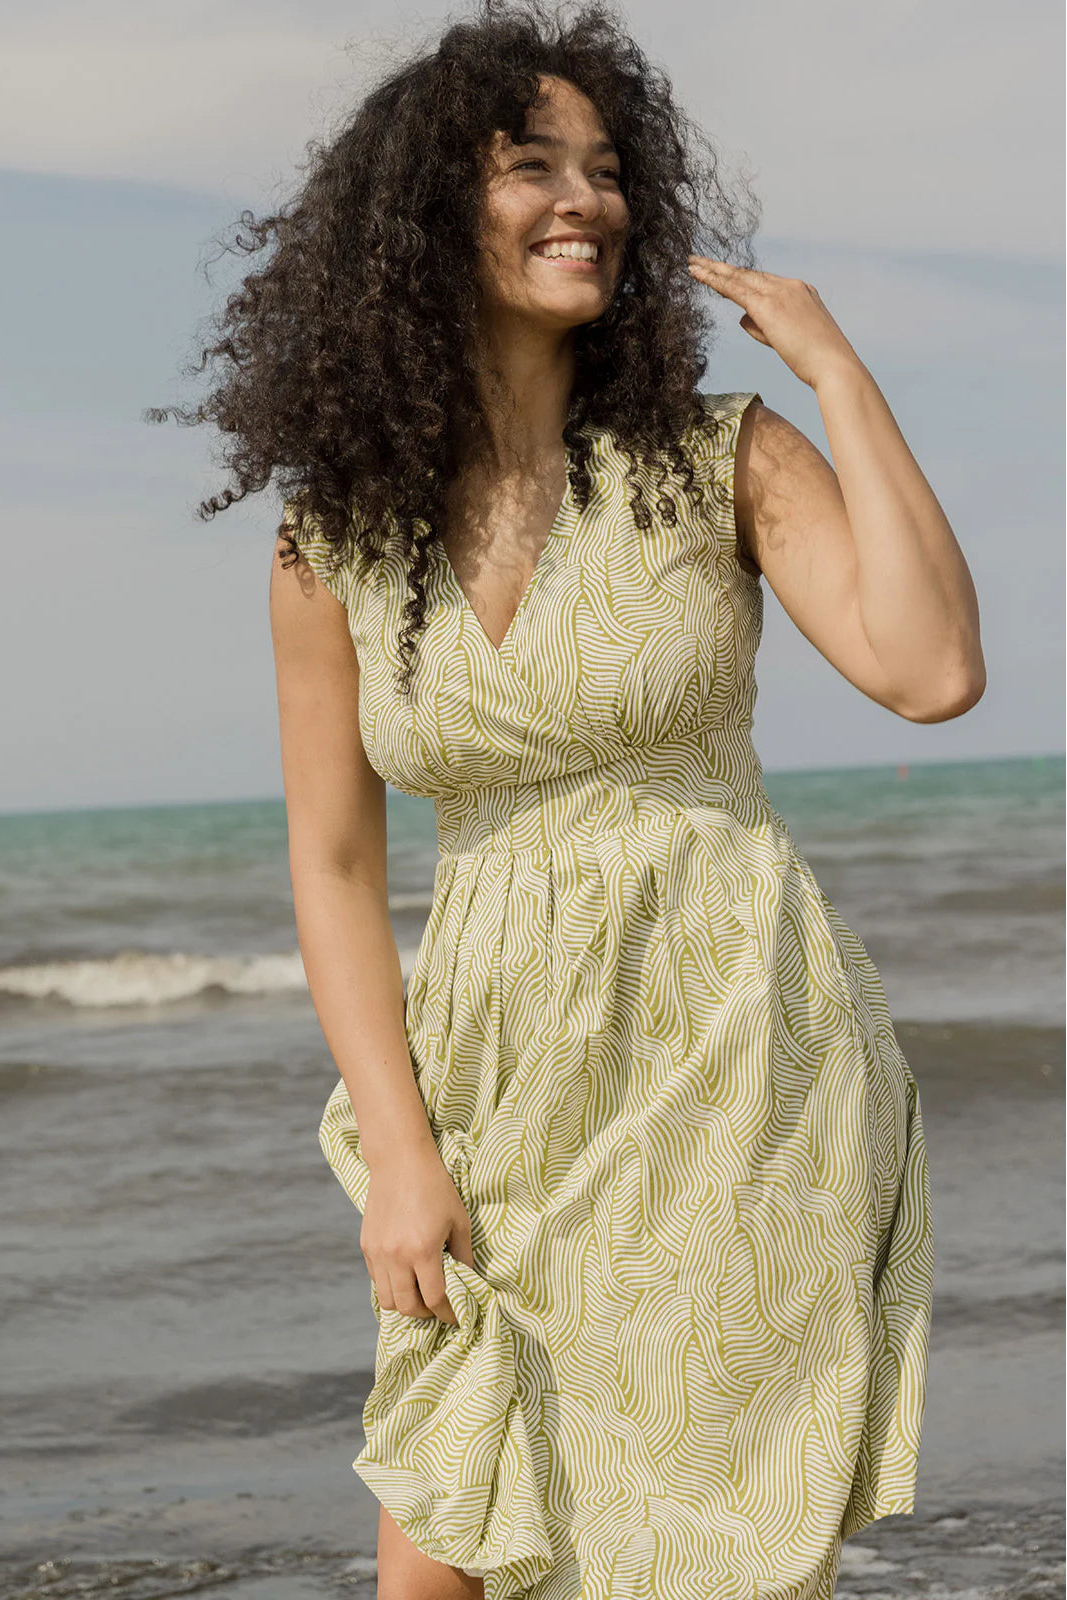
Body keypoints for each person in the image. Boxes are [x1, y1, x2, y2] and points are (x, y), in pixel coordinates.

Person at [160, 3, 984, 1595]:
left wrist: (837, 375)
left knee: (704, 1547)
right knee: (442, 1538)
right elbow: (333, 867)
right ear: (430, 214)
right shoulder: (335, 541)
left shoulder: (720, 459)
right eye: (531, 164)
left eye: (606, 171)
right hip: (493, 1078)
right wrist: (399, 1154)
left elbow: (931, 668)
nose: (583, 198)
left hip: (737, 1066)